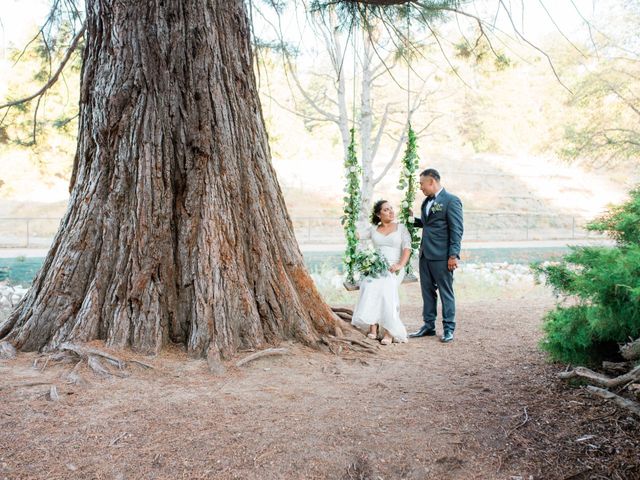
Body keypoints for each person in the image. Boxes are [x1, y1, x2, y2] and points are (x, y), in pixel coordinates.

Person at [409, 169, 463, 343]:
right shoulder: (426, 202)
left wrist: (453, 255)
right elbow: (428, 224)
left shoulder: (451, 201)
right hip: (425, 254)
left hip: (442, 256)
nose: (420, 188)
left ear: (431, 181)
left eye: (422, 184)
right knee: (427, 292)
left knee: (446, 293)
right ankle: (428, 326)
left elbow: (456, 230)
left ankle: (448, 328)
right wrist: (412, 220)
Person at [351, 200, 411, 345]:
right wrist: (350, 217)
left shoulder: (401, 228)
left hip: (394, 267)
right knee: (368, 284)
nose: (391, 211)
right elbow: (356, 235)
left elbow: (407, 248)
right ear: (378, 214)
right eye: (386, 210)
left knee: (386, 289)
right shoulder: (373, 229)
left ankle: (389, 331)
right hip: (377, 267)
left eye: (391, 208)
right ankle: (373, 326)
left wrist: (399, 265)